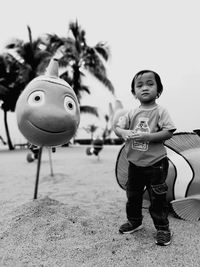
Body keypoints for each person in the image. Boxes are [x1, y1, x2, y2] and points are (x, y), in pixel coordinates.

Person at [114, 70, 176, 246]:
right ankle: (135, 221)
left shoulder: (160, 111)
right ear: (134, 92)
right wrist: (124, 132)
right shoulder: (131, 112)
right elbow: (117, 128)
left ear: (159, 90)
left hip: (156, 164)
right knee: (133, 195)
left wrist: (149, 137)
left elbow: (169, 131)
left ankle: (163, 228)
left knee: (157, 198)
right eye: (139, 85)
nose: (145, 88)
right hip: (134, 163)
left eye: (150, 84)